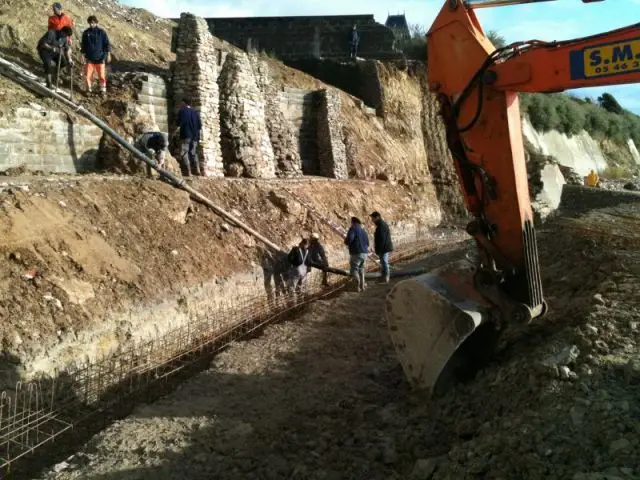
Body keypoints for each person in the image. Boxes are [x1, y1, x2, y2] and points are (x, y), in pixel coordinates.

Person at [81, 16, 112, 97]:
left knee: (101, 75)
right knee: (88, 75)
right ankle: (88, 89)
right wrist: (82, 55)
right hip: (89, 58)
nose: (91, 24)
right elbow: (83, 45)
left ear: (96, 23)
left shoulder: (102, 32)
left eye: (93, 23)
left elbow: (107, 44)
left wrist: (108, 54)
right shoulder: (86, 33)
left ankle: (103, 90)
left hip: (100, 57)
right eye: (90, 23)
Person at [175, 97, 202, 177]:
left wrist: (174, 132)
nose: (180, 104)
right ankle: (198, 170)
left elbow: (179, 123)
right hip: (195, 136)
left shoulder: (182, 111)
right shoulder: (195, 113)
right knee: (193, 152)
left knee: (184, 152)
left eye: (181, 103)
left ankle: (188, 172)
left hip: (186, 135)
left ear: (184, 103)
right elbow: (199, 126)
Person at [344, 217, 369, 292]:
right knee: (361, 269)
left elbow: (350, 239)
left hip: (356, 253)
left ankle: (356, 287)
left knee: (354, 269)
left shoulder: (353, 229)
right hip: (365, 253)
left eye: (351, 222)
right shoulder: (363, 231)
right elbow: (368, 243)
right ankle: (362, 286)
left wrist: (346, 241)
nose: (350, 224)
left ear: (353, 223)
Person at [370, 211, 393, 283]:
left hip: (384, 248)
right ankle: (384, 277)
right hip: (384, 247)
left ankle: (386, 277)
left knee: (384, 262)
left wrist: (378, 250)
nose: (372, 220)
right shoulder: (381, 225)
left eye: (373, 218)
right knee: (383, 262)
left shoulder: (381, 226)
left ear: (377, 217)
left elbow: (382, 239)